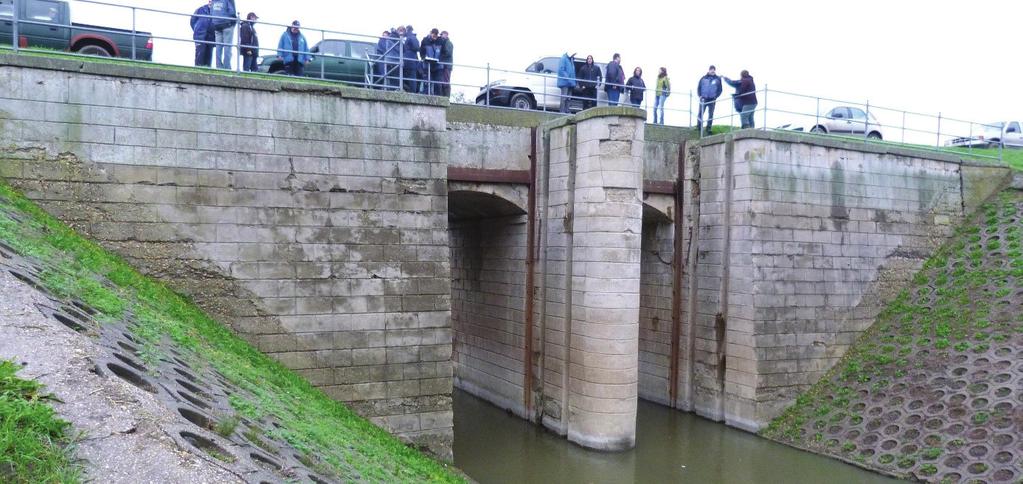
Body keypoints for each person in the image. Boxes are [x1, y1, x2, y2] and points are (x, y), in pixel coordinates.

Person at [696, 65, 723, 135]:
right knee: (700, 113)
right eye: (711, 69)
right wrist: (700, 96)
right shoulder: (703, 78)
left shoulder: (718, 79)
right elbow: (699, 87)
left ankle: (708, 128)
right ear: (709, 70)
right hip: (703, 98)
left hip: (712, 99)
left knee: (710, 114)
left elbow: (720, 89)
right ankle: (699, 126)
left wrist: (716, 96)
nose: (712, 71)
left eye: (713, 70)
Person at [210, 0, 237, 69]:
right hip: (227, 25)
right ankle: (227, 67)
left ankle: (218, 66)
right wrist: (234, 22)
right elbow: (232, 12)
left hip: (217, 26)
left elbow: (211, 12)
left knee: (218, 48)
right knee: (227, 47)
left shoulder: (213, 1)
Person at [190, 1, 214, 67]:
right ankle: (198, 68)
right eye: (210, 1)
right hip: (199, 35)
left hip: (211, 36)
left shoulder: (216, 11)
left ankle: (207, 69)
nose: (211, 2)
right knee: (200, 53)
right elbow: (192, 21)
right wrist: (197, 30)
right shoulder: (200, 9)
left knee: (209, 54)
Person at [420, 29, 443, 95]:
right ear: (430, 33)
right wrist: (424, 58)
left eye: (436, 35)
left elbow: (443, 53)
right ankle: (426, 95)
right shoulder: (425, 40)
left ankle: (438, 97)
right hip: (427, 64)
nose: (434, 37)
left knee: (437, 83)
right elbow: (421, 51)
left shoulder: (440, 41)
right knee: (427, 82)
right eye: (433, 35)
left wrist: (440, 59)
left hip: (438, 65)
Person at [398, 25, 420, 93]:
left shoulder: (409, 37)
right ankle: (410, 91)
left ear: (407, 29)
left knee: (410, 76)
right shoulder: (411, 37)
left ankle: (411, 91)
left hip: (409, 59)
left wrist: (408, 50)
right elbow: (417, 47)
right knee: (410, 76)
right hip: (411, 59)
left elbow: (416, 47)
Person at [438, 31, 454, 97]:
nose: (441, 36)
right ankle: (442, 96)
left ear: (446, 35)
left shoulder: (448, 43)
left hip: (447, 65)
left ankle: (446, 97)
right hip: (443, 65)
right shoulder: (444, 43)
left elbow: (448, 53)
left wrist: (440, 55)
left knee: (446, 81)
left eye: (442, 35)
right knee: (442, 81)